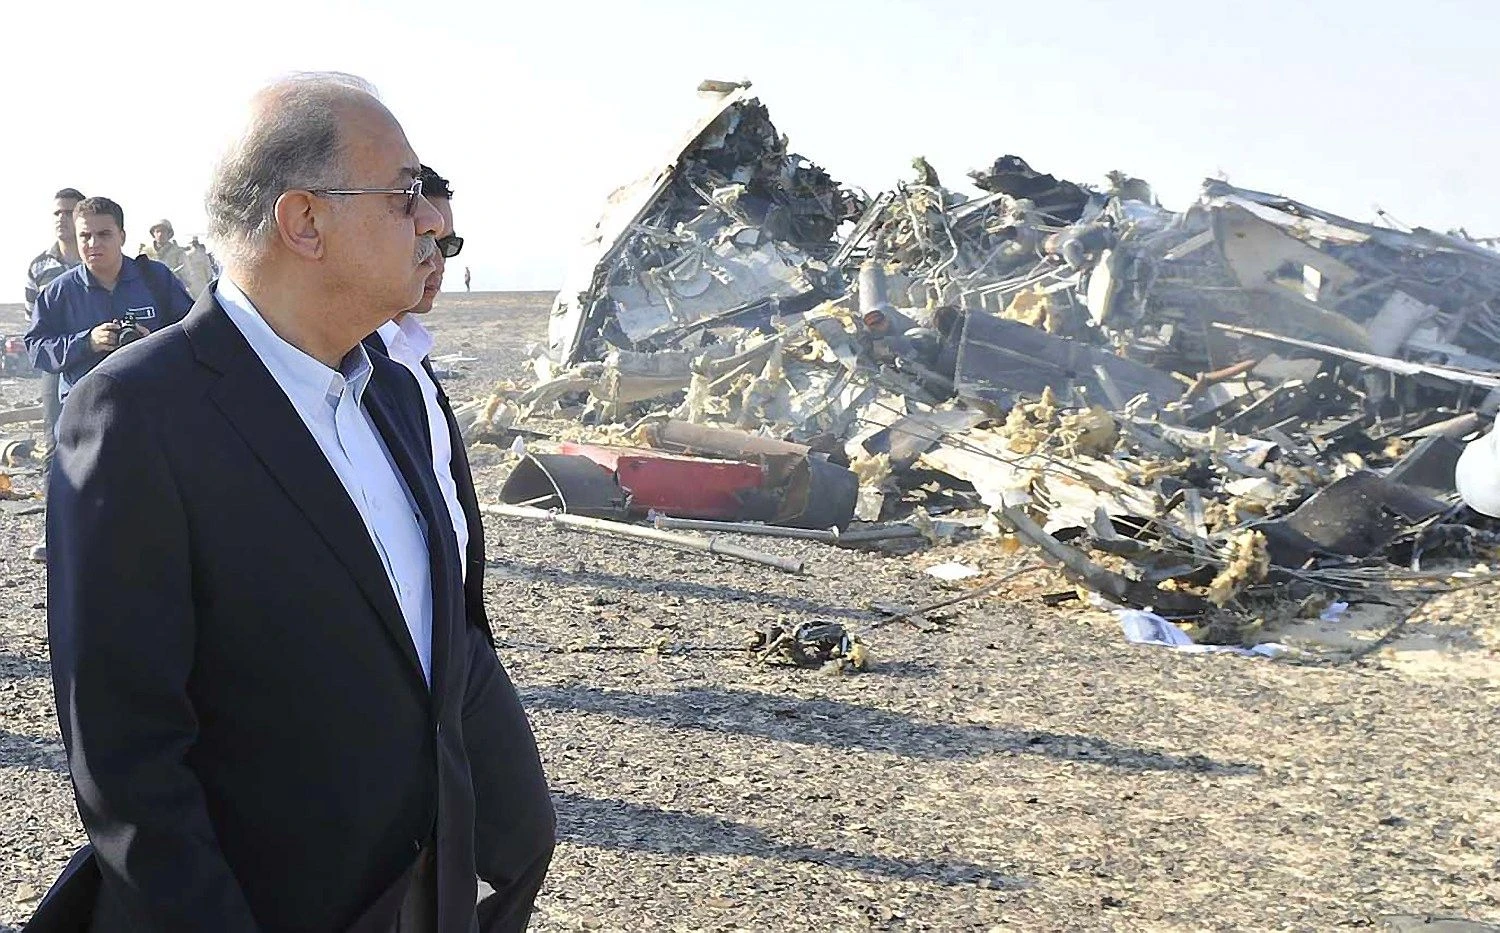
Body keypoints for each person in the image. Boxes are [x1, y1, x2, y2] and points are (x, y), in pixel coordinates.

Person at [30, 72, 552, 933]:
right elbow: (129, 760)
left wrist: (507, 833)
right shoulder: (137, 415)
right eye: (403, 194)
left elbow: (439, 637)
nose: (430, 219)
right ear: (304, 220)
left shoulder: (391, 392)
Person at [363, 164, 552, 931]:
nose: (433, 259)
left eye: (449, 242)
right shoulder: (335, 364)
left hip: (459, 640)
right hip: (392, 655)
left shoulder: (409, 352)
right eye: (419, 238)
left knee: (520, 834)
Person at [23, 197, 193, 563]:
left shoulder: (155, 279)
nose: (93, 244)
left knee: (153, 497)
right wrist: (86, 342)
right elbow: (37, 348)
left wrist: (154, 340)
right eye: (86, 236)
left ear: (122, 236)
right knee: (87, 501)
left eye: (104, 235)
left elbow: (194, 331)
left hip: (153, 410)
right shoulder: (59, 293)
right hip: (87, 416)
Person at [23, 187, 85, 546]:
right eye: (57, 213)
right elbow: (34, 324)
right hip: (58, 364)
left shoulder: (98, 256)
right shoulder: (39, 266)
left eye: (69, 212)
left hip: (98, 357)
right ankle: (56, 530)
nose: (62, 219)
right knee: (55, 444)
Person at [141, 218, 191, 287]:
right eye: (157, 231)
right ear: (153, 234)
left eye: (163, 231)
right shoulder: (145, 253)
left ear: (169, 234)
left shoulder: (178, 253)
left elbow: (187, 278)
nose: (160, 234)